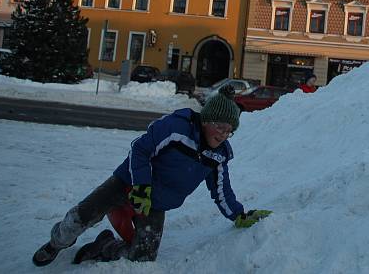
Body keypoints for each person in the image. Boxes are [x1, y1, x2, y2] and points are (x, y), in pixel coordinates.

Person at [32, 93, 270, 266]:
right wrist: (141, 186)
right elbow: (140, 149)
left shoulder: (218, 155)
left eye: (229, 130)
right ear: (206, 120)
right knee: (80, 217)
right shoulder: (177, 128)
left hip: (155, 202)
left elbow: (221, 190)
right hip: (126, 183)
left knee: (143, 258)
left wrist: (239, 215)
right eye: (219, 126)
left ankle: (104, 246)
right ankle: (56, 244)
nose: (223, 134)